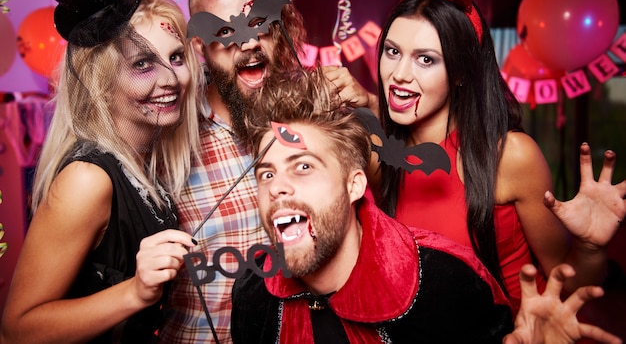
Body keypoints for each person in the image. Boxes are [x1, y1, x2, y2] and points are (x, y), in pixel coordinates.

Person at [230, 65, 622, 344]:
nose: (278, 186)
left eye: (302, 166)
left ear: (354, 185)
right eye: (266, 173)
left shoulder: (449, 283)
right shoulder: (253, 291)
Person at [363, 0, 626, 312]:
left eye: (425, 59)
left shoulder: (510, 156)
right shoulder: (376, 156)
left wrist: (591, 249)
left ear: (459, 72)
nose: (398, 74)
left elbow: (567, 285)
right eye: (392, 51)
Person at [0, 0, 201, 343]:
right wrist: (135, 292)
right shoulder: (88, 179)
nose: (170, 79)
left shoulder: (143, 162)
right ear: (101, 84)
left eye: (176, 58)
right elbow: (16, 331)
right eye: (143, 64)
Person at [159, 0, 308, 344]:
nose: (248, 42)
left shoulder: (310, 122)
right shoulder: (167, 144)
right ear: (200, 46)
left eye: (259, 23)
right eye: (225, 30)